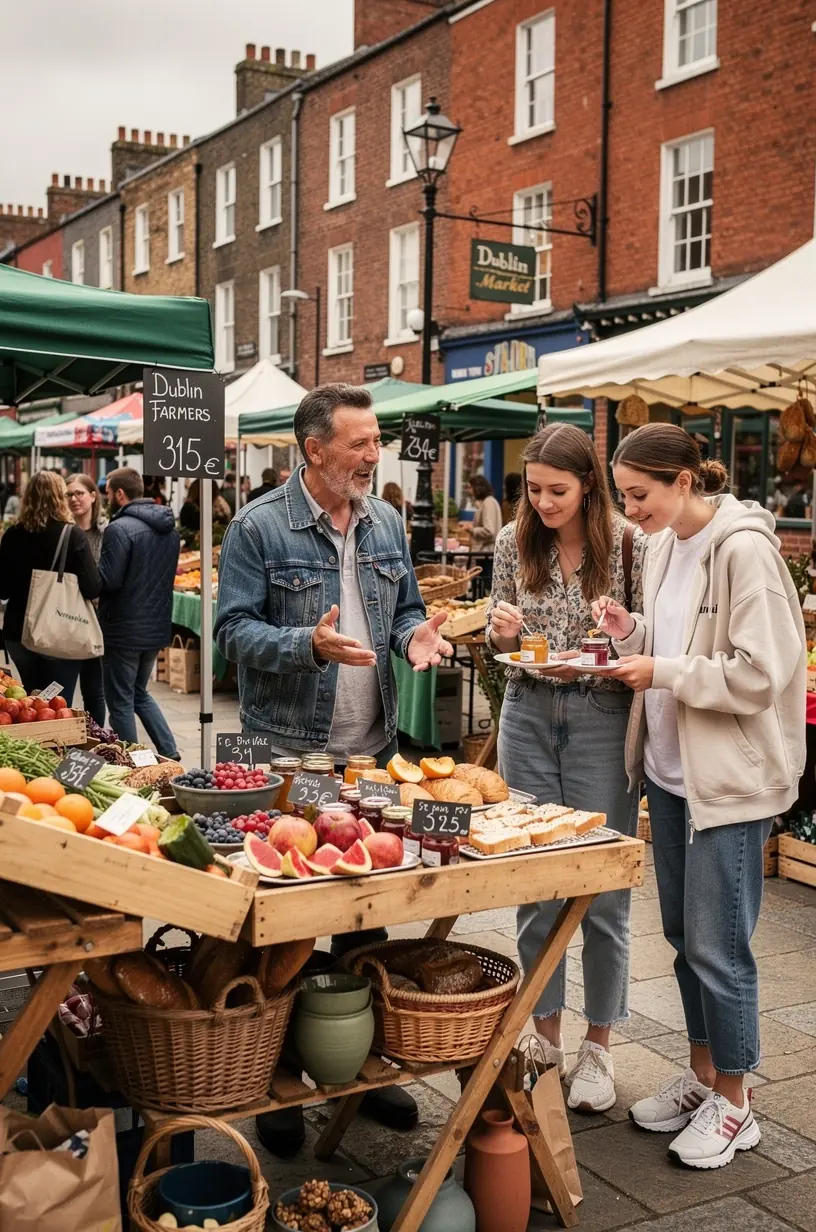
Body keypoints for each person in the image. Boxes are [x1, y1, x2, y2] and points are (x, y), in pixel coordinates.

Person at [215, 382, 452, 1152]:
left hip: (370, 754)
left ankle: (360, 1066)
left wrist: (416, 636)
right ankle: (277, 1078)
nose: (374, 454)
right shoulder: (258, 527)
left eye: (376, 440)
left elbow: (406, 607)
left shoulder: (385, 519)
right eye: (360, 443)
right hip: (288, 753)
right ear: (314, 451)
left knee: (365, 918)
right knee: (285, 925)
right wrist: (304, 645)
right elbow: (232, 633)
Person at [593, 423, 805, 1169]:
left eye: (639, 495)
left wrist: (665, 671)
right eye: (624, 496)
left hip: (730, 781)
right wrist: (632, 631)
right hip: (672, 770)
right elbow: (678, 640)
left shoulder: (745, 550)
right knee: (686, 940)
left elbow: (761, 672)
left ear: (685, 481)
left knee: (722, 948)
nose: (631, 511)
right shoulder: (659, 546)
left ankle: (739, 1105)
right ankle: (704, 1077)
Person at [487, 424, 646, 1113]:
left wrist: (621, 631)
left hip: (600, 719)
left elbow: (644, 631)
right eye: (533, 488)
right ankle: (546, 1038)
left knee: (605, 891)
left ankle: (600, 1048)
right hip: (527, 711)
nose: (544, 502)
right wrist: (498, 633)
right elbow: (502, 635)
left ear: (589, 486)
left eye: (558, 490)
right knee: (537, 885)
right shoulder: (510, 541)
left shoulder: (630, 545)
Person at [99, 468, 181, 759]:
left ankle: (130, 761)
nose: (106, 498)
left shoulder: (118, 529)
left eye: (108, 492)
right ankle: (170, 750)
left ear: (120, 494)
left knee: (120, 700)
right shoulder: (169, 528)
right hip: (155, 625)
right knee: (140, 693)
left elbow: (109, 580)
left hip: (123, 627)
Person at [0, 470, 101, 702]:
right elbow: (93, 587)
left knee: (30, 703)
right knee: (56, 703)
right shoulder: (71, 535)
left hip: (19, 634)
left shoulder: (12, 535)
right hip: (59, 632)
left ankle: (35, 738)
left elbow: (2, 589)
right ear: (60, 497)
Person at [66, 474, 107, 726]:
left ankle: (96, 738)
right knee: (63, 690)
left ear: (93, 496)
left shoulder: (107, 531)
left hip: (97, 618)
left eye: (79, 493)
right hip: (66, 617)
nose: (74, 499)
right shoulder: (63, 532)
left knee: (94, 689)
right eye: (68, 494)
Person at [468, 474, 503, 551]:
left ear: (477, 488)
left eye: (470, 487)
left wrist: (472, 529)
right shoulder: (486, 502)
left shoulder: (488, 502)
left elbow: (489, 531)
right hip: (485, 551)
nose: (469, 491)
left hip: (486, 552)